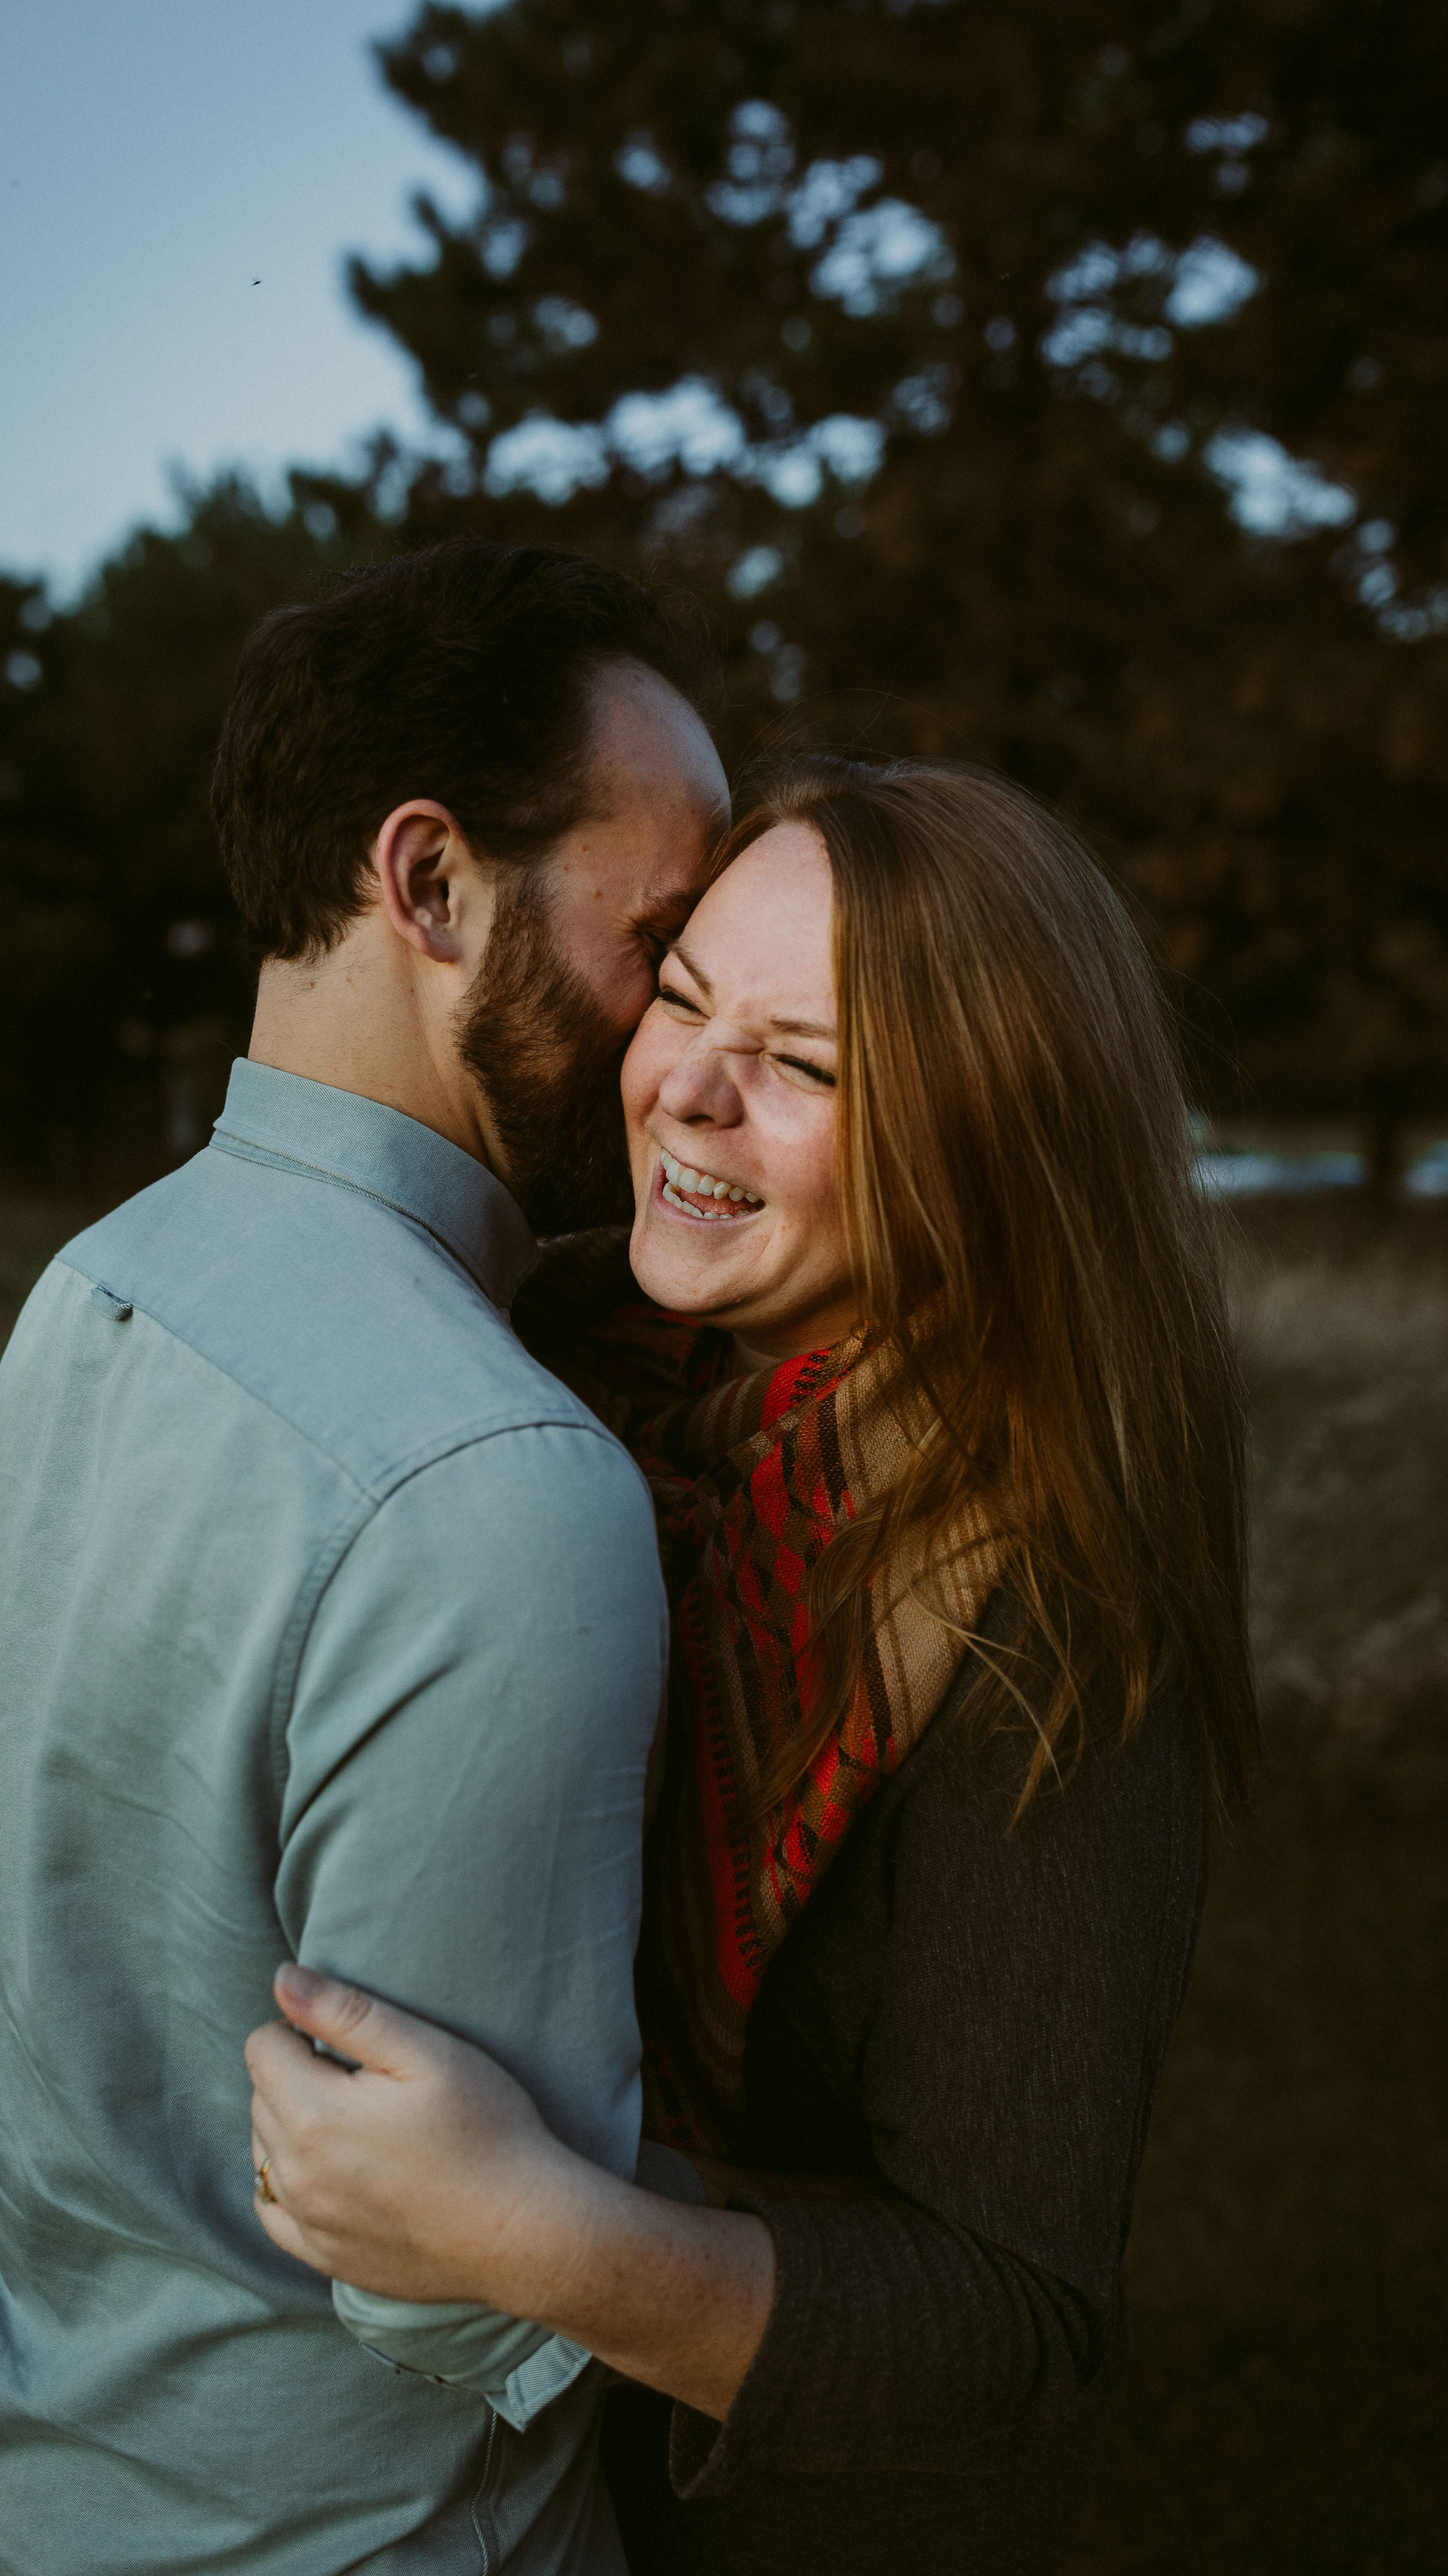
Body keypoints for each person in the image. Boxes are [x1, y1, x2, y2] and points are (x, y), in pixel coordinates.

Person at [243, 756, 1260, 2576]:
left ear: (990, 1141)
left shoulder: (1053, 1612)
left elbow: (1012, 2336)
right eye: (687, 1000)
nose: (685, 1096)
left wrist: (538, 2237)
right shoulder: (539, 1349)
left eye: (803, 1068)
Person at [0, 540, 730, 2576]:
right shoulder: (503, 1482)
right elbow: (467, 2294)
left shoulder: (95, 1284)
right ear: (432, 886)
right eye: (665, 942)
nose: (679, 1037)